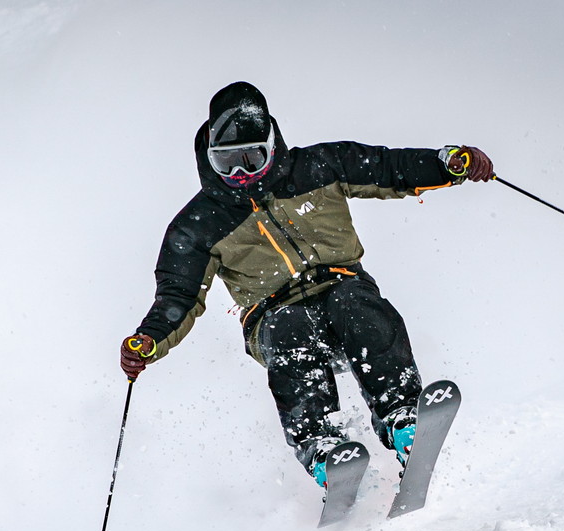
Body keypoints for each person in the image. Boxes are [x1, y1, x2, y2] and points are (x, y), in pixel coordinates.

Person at [120, 81, 493, 487]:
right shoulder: (197, 225)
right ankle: (322, 449)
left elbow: (390, 169)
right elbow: (179, 295)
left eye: (252, 158)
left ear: (272, 145)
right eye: (227, 162)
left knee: (356, 304)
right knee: (289, 327)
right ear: (209, 157)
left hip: (341, 282)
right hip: (271, 312)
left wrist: (448, 164)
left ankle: (403, 417)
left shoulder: (318, 167)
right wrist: (149, 339)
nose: (241, 174)